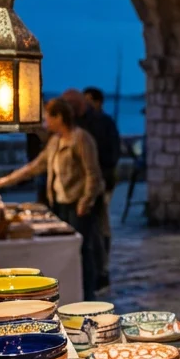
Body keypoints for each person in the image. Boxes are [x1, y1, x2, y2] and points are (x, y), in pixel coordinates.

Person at [0, 98, 105, 300]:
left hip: (77, 205)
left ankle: (88, 294)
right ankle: (71, 292)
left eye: (48, 118)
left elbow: (93, 174)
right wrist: (2, 182)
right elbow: (34, 167)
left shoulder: (80, 139)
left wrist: (85, 201)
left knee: (83, 250)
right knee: (68, 251)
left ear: (59, 117)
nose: (46, 123)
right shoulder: (55, 141)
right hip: (60, 204)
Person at [82, 87, 121, 289]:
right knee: (98, 225)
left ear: (98, 102)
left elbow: (112, 153)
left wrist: (103, 175)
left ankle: (102, 267)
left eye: (89, 100)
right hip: (96, 181)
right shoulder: (89, 123)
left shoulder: (105, 123)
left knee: (101, 224)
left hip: (103, 181)